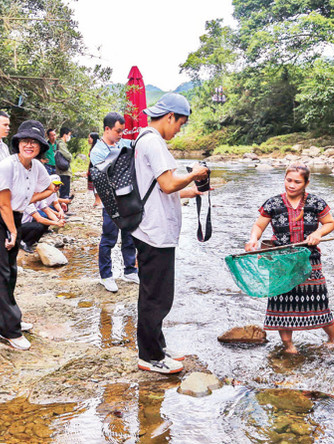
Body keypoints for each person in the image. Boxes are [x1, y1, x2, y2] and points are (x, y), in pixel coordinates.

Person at [131, 93, 209, 374]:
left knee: (155, 292)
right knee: (157, 297)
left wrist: (191, 190)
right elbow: (166, 184)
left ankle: (157, 345)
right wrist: (194, 174)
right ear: (169, 116)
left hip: (150, 228)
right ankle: (150, 356)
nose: (179, 130)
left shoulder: (144, 139)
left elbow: (158, 188)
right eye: (180, 123)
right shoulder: (153, 141)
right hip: (155, 231)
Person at [245, 162, 334, 354]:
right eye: (288, 180)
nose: (292, 185)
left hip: (309, 259)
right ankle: (289, 346)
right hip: (280, 261)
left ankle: (333, 339)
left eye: (297, 182)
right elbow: (259, 226)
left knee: (319, 300)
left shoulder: (316, 203)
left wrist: (318, 234)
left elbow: (329, 223)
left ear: (306, 183)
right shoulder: (273, 203)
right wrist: (253, 239)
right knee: (282, 303)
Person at [0, 120, 55, 350]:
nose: (29, 145)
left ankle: (10, 317)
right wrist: (13, 231)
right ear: (18, 143)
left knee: (11, 271)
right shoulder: (7, 166)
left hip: (14, 215)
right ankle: (8, 330)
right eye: (25, 141)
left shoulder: (37, 167)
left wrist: (27, 199)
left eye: (34, 142)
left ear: (40, 147)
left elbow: (49, 188)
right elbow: (4, 203)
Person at [91, 112, 139, 292]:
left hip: (127, 198)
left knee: (129, 235)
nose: (121, 134)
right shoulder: (97, 152)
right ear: (107, 129)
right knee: (109, 239)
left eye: (122, 131)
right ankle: (106, 275)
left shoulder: (124, 143)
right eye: (118, 131)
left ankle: (130, 270)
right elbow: (107, 175)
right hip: (110, 201)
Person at [19, 175, 66, 252]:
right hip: (19, 226)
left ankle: (32, 241)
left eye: (59, 186)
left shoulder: (40, 198)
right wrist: (56, 223)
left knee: (44, 224)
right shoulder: (27, 199)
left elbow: (48, 211)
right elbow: (39, 219)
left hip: (27, 222)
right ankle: (24, 242)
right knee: (39, 225)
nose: (57, 187)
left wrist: (58, 220)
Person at [56, 126, 74, 199]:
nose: (69, 137)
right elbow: (68, 156)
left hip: (62, 170)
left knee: (64, 190)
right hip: (63, 171)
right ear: (64, 135)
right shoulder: (61, 144)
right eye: (69, 135)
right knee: (64, 191)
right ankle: (64, 203)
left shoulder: (60, 143)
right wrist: (70, 157)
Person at [86, 131, 101, 207]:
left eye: (90, 138)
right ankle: (96, 200)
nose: (88, 139)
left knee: (96, 185)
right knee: (93, 185)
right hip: (91, 168)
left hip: (96, 168)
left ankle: (98, 200)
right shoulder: (92, 147)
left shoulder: (98, 148)